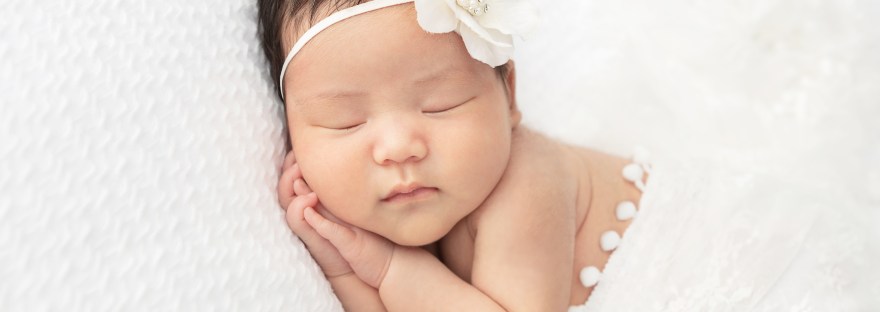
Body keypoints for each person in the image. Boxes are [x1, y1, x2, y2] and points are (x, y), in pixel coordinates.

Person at [259, 0, 874, 311]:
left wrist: (381, 268)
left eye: (441, 104)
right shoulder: (400, 205)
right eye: (346, 120)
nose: (398, 147)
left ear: (509, 97)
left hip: (755, 278)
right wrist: (341, 267)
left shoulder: (525, 182)